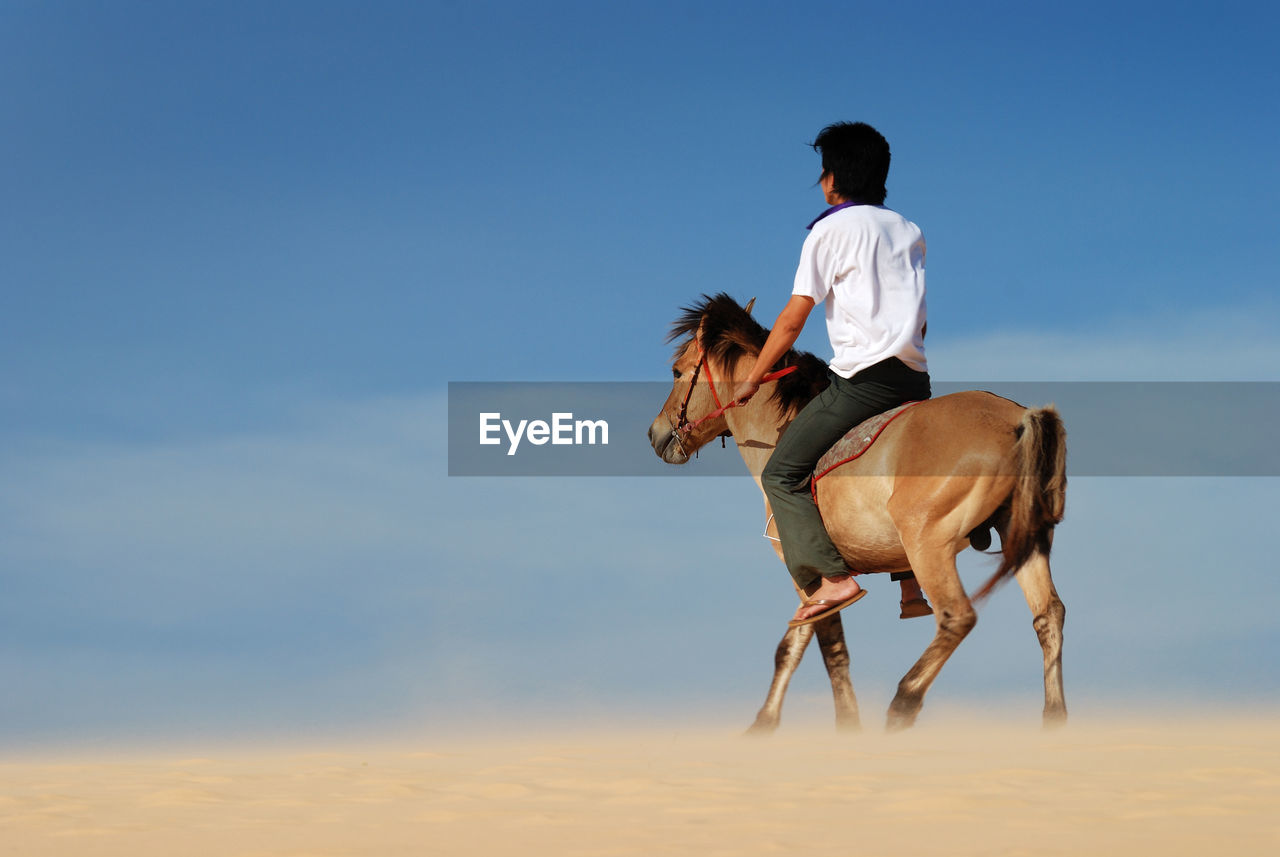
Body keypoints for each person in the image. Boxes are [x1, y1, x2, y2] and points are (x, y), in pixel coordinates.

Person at [731, 121, 933, 627]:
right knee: (895, 475)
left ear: (832, 178)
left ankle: (830, 579)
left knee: (782, 472)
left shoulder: (828, 230)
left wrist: (754, 377)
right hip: (915, 379)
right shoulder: (908, 230)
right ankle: (911, 587)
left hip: (863, 382)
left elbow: (794, 317)